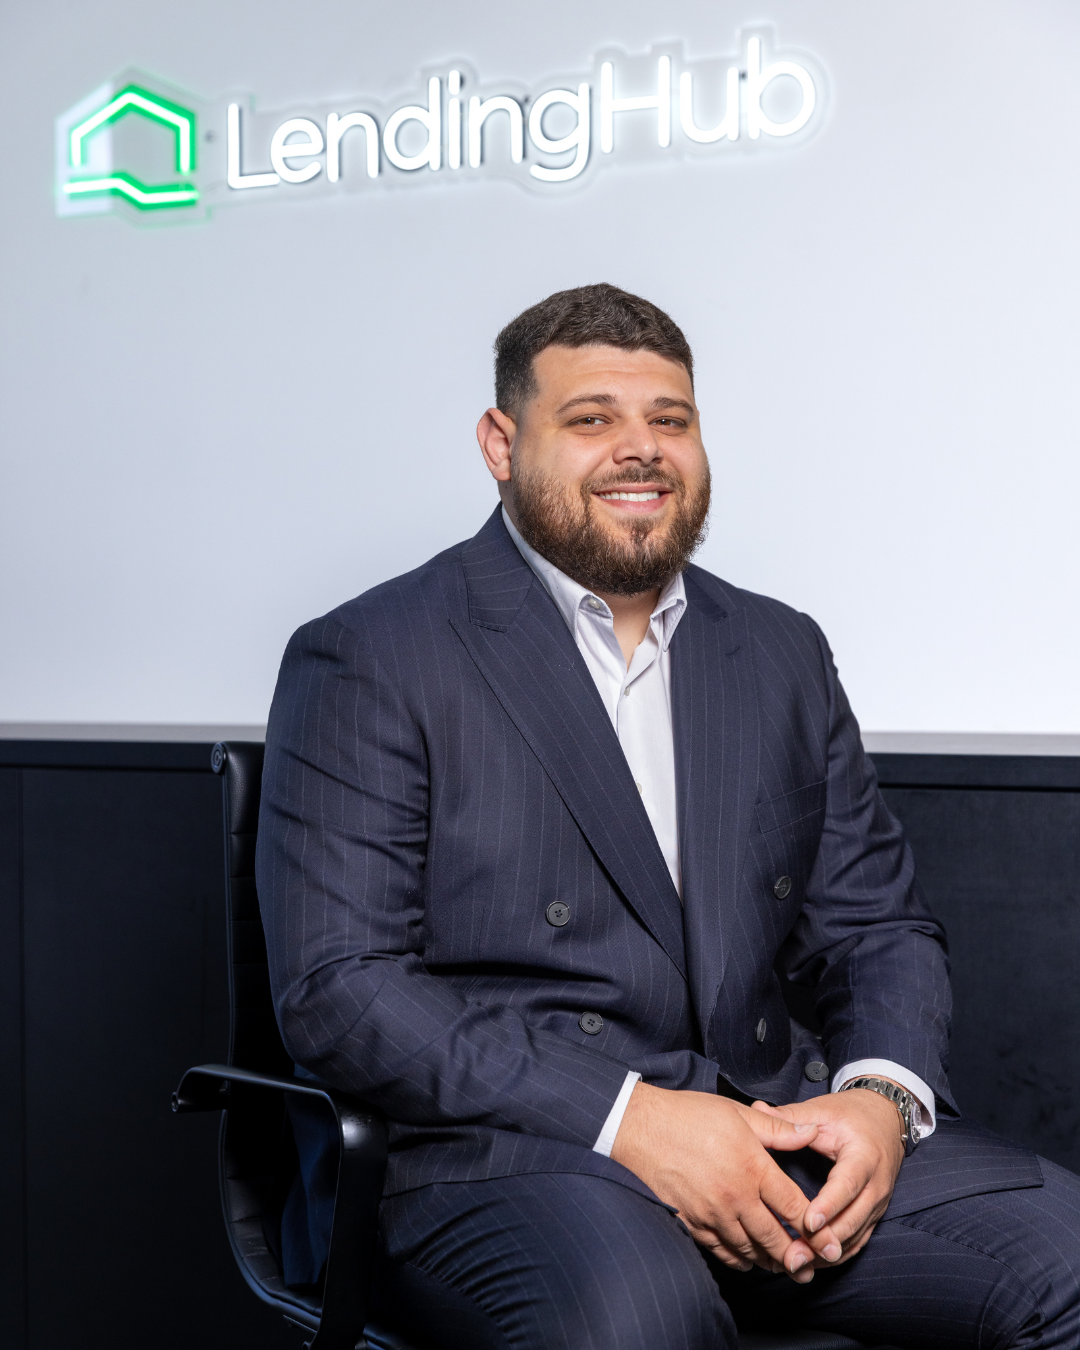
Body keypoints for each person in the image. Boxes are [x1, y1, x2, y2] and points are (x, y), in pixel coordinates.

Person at [257, 284, 1080, 1349]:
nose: (639, 450)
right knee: (637, 1323)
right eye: (591, 419)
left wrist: (881, 1095)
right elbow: (340, 992)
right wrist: (634, 1120)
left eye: (670, 420)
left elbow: (878, 929)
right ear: (501, 444)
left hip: (774, 1134)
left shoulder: (779, 650)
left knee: (1065, 1256)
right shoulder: (373, 654)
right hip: (503, 1151)